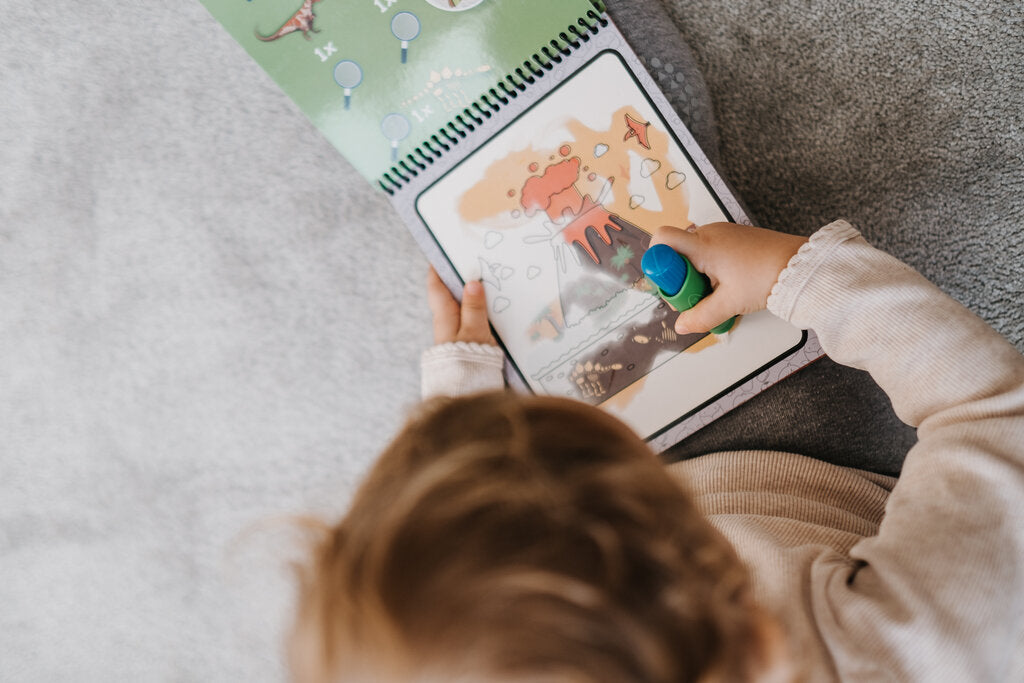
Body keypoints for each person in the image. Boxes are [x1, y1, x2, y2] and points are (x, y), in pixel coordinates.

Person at [289, 220, 1024, 682]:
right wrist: (797, 274)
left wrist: (461, 411)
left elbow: (452, 632)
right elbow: (989, 410)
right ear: (740, 604)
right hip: (845, 516)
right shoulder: (919, 647)